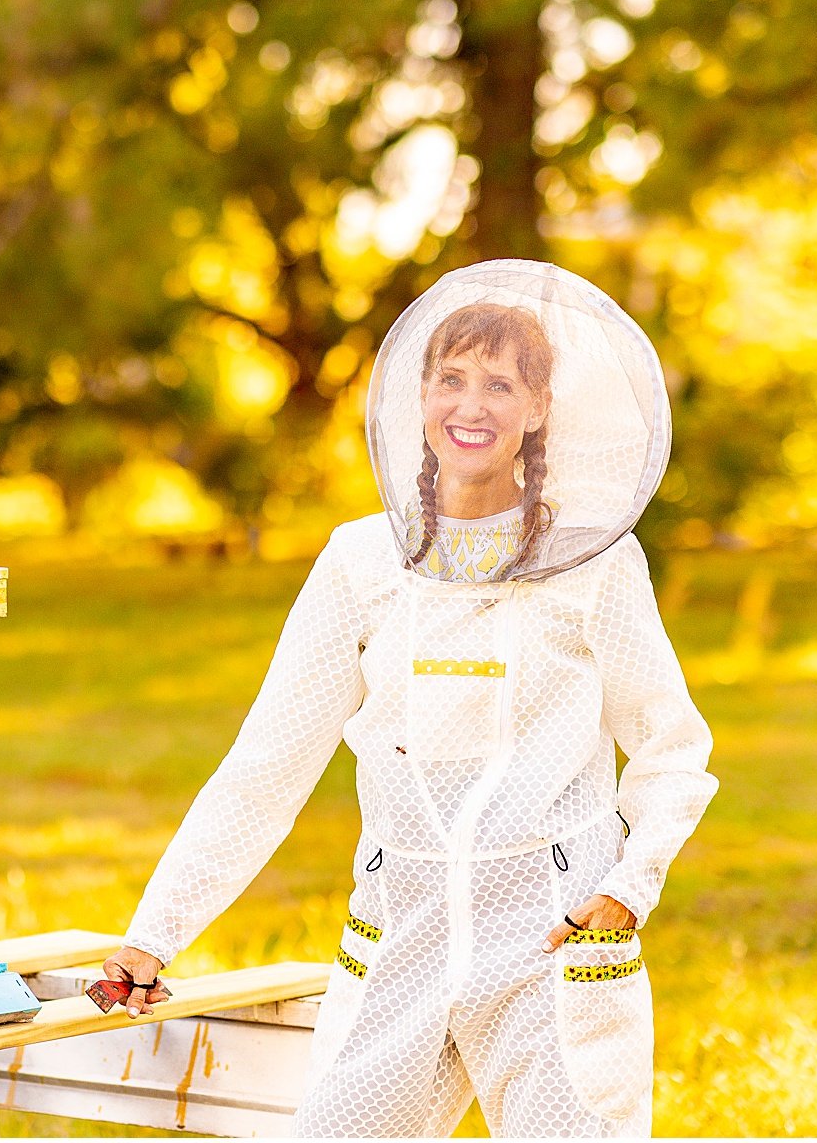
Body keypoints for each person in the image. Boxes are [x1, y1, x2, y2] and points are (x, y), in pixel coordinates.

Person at [100, 259, 718, 1137]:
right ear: (415, 395)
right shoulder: (360, 562)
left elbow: (668, 745)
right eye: (451, 380)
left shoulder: (597, 562)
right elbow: (266, 767)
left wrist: (628, 885)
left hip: (550, 945)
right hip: (400, 938)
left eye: (500, 385)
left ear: (538, 410)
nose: (471, 407)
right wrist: (153, 934)